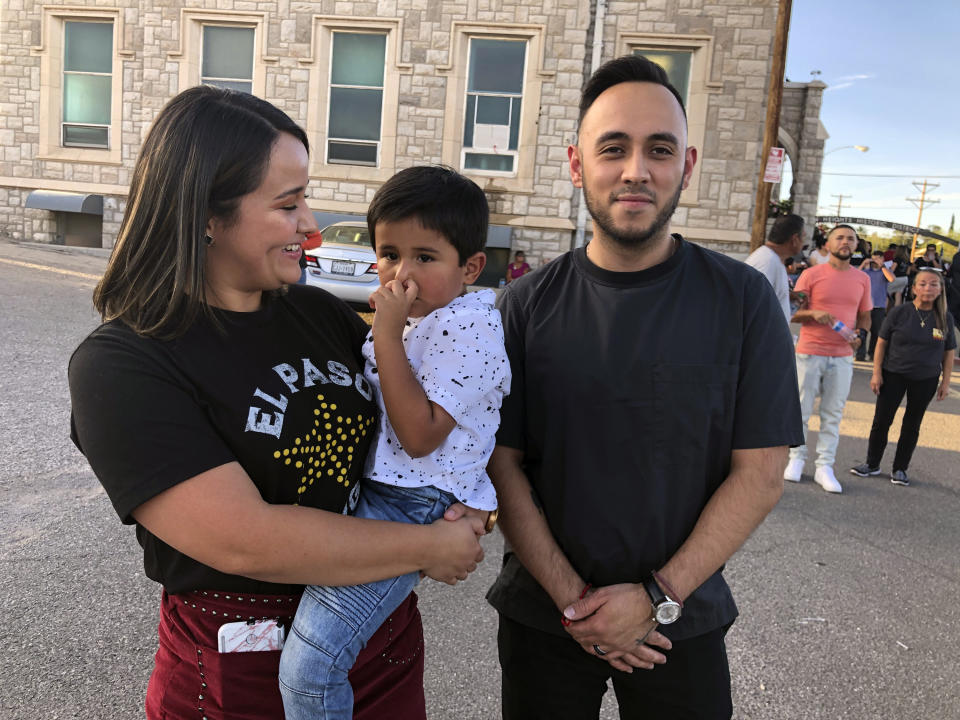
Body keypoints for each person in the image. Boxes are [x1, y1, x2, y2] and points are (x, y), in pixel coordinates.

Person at [68, 87, 486, 720]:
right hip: (244, 670)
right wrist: (427, 546)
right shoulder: (123, 364)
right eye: (288, 204)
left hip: (378, 644)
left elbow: (435, 423)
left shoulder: (322, 315)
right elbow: (247, 541)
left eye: (306, 199)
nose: (311, 225)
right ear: (207, 214)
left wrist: (474, 503)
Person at [485, 54, 803, 719]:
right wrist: (578, 602)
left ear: (686, 166)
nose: (636, 170)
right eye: (614, 149)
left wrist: (655, 597)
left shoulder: (742, 301)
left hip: (679, 622)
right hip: (547, 617)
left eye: (659, 149)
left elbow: (763, 473)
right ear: (577, 165)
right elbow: (501, 464)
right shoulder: (523, 308)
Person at [278, 165, 510, 718]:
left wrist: (384, 332)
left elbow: (420, 434)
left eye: (425, 258)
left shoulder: (470, 328)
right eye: (388, 254)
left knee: (309, 669)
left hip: (414, 506)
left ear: (471, 267)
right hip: (381, 501)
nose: (401, 274)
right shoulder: (415, 320)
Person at [784, 224, 873, 493]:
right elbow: (792, 312)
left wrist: (861, 334)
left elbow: (865, 314)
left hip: (842, 355)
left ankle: (825, 466)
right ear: (828, 243)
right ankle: (796, 460)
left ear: (856, 245)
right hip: (810, 352)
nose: (845, 242)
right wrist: (813, 314)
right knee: (800, 409)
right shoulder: (811, 275)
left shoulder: (862, 279)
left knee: (833, 414)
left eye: (851, 239)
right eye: (840, 238)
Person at [850, 269, 955, 485]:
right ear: (914, 288)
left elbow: (948, 352)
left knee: (912, 424)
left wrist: (945, 382)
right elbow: (881, 343)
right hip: (893, 374)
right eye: (923, 284)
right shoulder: (900, 312)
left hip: (926, 379)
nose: (928, 288)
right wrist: (876, 373)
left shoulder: (944, 317)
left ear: (941, 289)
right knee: (882, 421)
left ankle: (900, 469)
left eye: (934, 284)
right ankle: (872, 464)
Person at [744, 212, 806, 326]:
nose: (804, 243)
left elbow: (767, 294)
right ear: (795, 239)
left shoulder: (773, 259)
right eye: (803, 237)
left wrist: (789, 295)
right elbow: (752, 307)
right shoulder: (767, 262)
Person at [859, 250, 892, 361]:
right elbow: (854, 277)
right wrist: (863, 264)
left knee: (876, 332)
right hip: (864, 306)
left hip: (879, 306)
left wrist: (882, 266)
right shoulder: (866, 272)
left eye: (879, 258)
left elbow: (892, 279)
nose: (876, 260)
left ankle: (872, 354)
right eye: (874, 258)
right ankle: (860, 354)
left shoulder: (884, 272)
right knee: (861, 331)